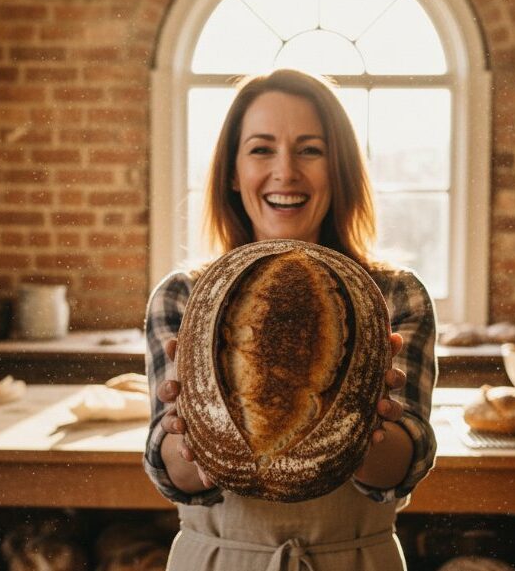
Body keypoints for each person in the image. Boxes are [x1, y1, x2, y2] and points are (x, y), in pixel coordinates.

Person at [144, 69, 437, 570]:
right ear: (233, 173)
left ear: (339, 168)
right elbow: (175, 476)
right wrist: (187, 434)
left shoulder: (390, 295)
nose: (286, 172)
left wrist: (364, 423)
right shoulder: (185, 296)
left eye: (310, 150)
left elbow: (400, 468)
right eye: (261, 149)